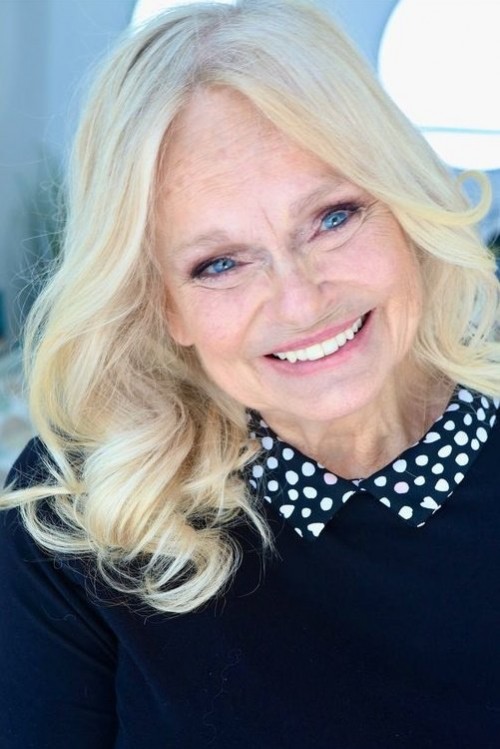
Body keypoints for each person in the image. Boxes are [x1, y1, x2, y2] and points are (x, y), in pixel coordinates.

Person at [1, 1, 499, 746]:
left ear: (405, 207)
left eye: (333, 217)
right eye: (220, 263)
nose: (301, 301)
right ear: (163, 305)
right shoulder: (79, 513)